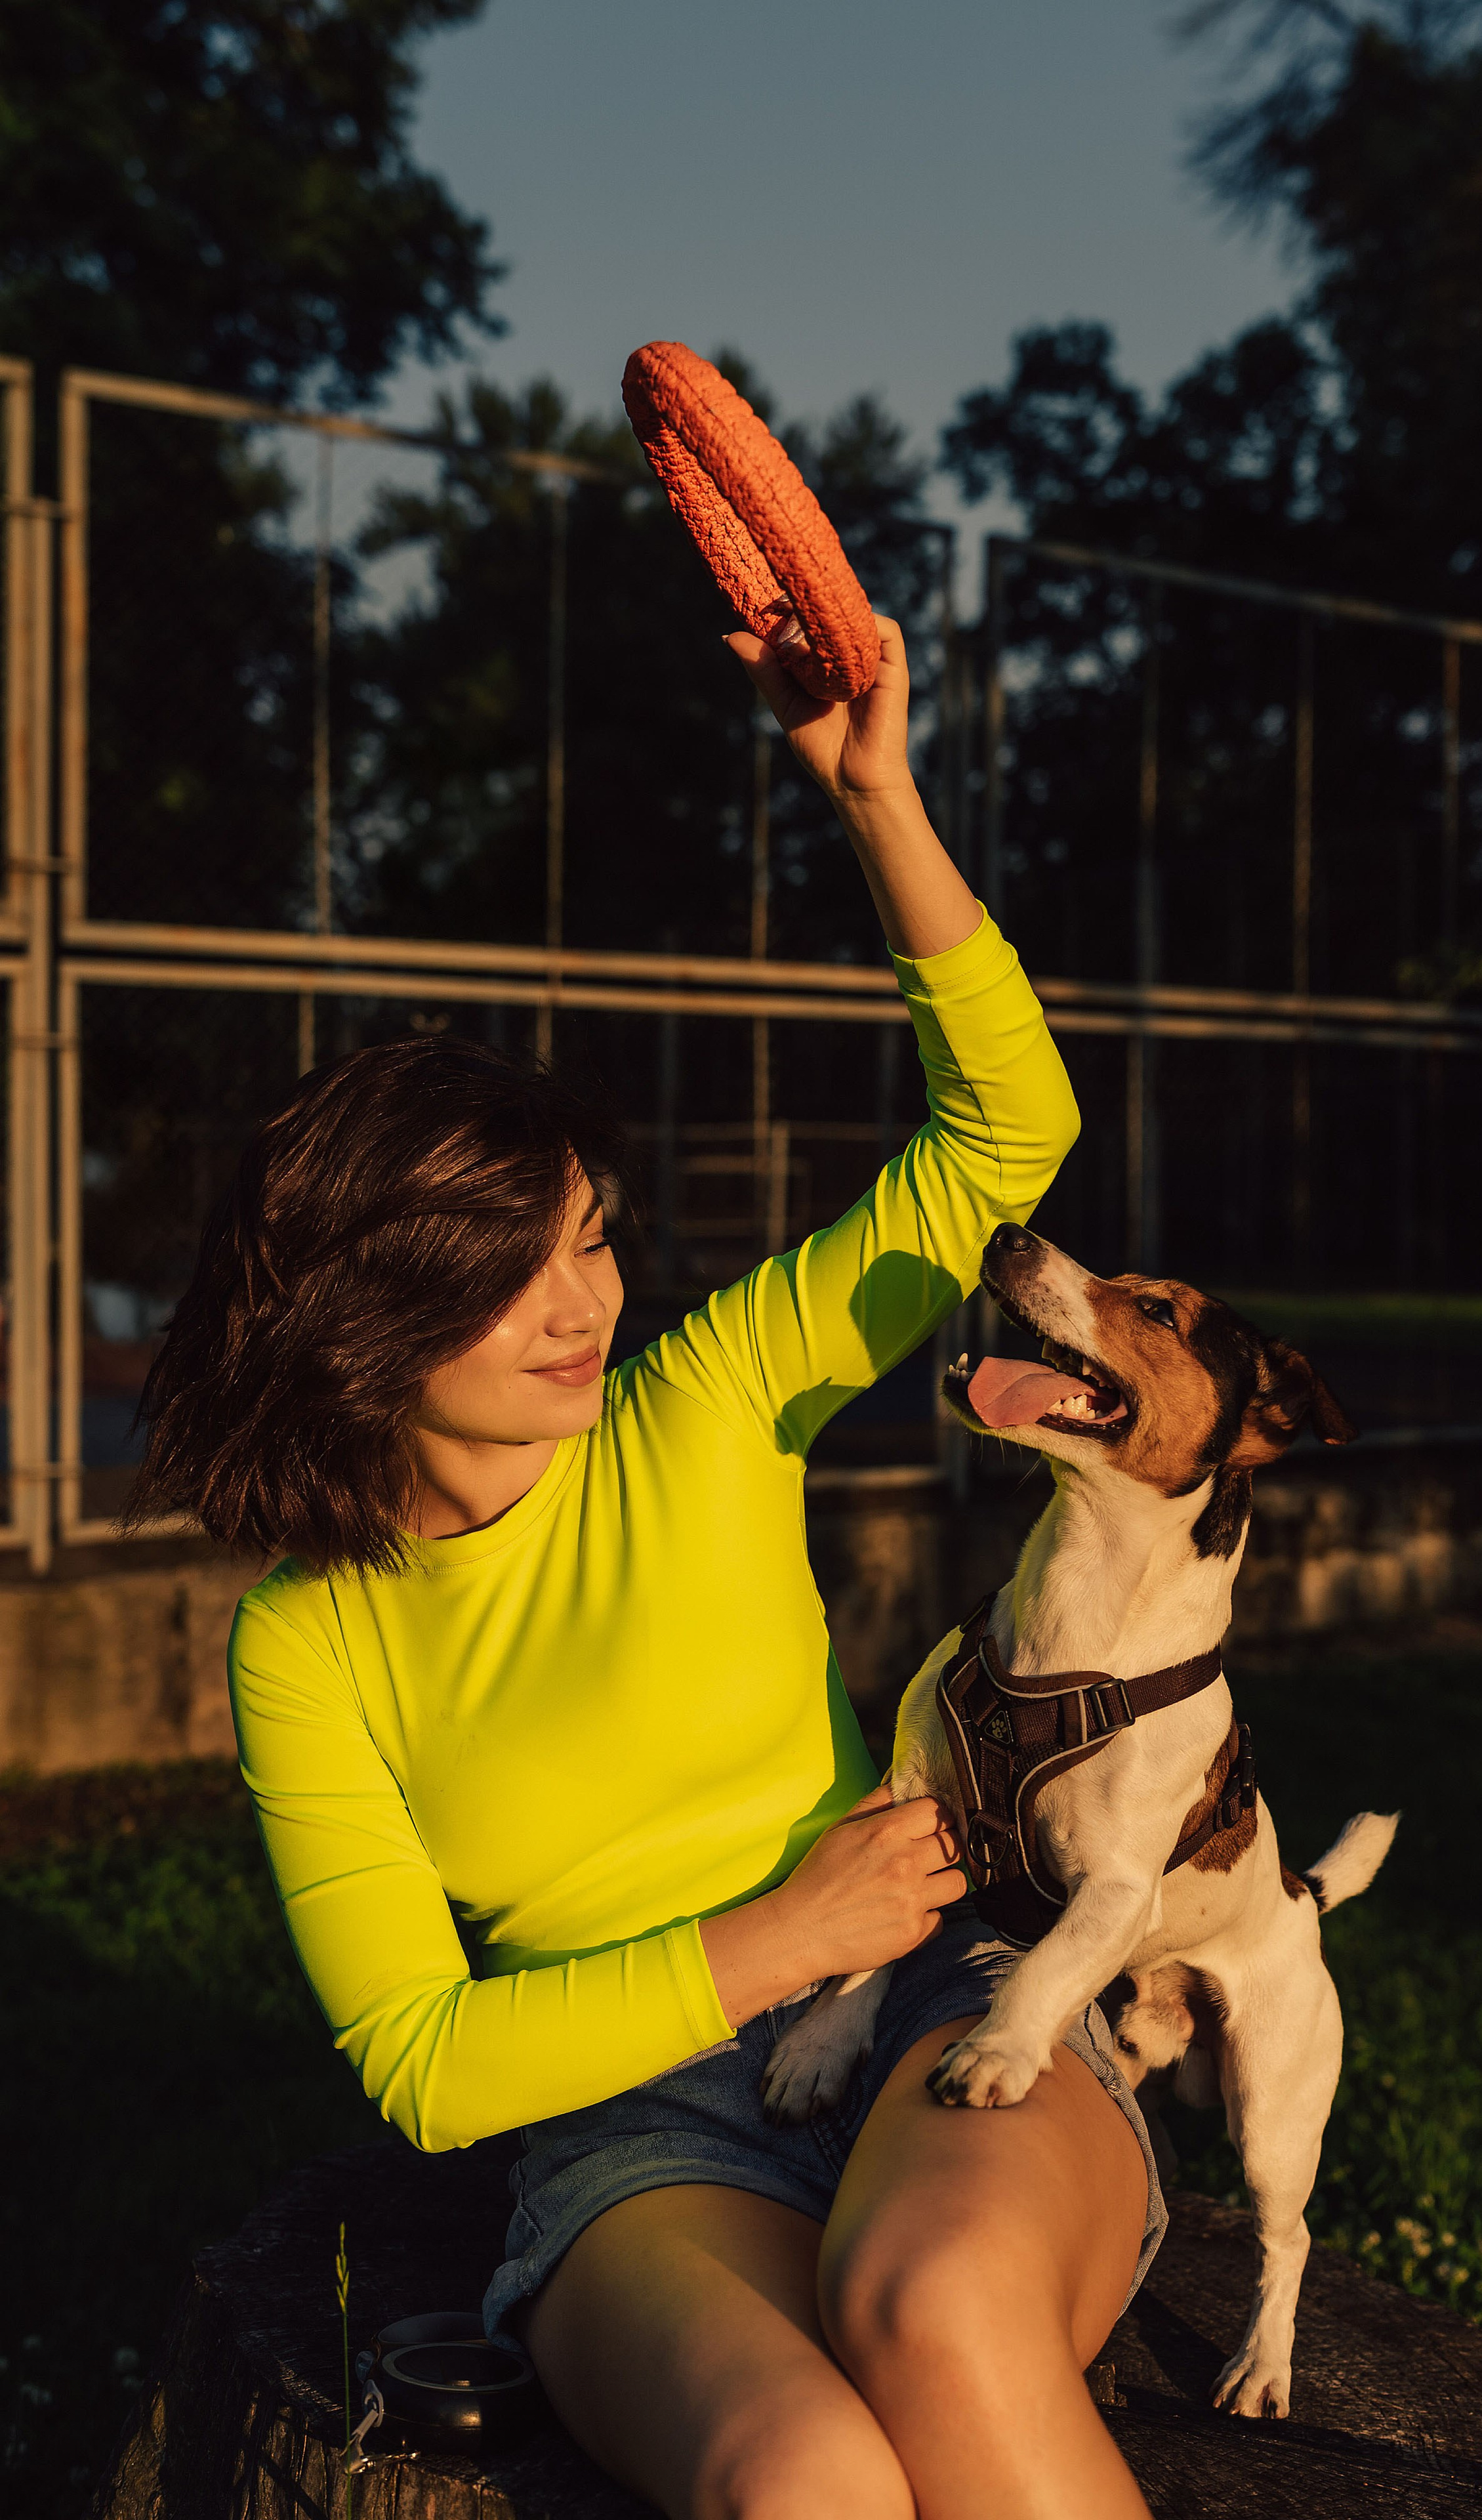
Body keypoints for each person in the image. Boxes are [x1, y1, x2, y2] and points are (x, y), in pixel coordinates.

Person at [134, 615, 1164, 2520]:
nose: (585, 1301)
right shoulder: (304, 1646)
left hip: (938, 1998)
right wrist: (779, 1937)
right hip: (629, 2130)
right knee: (805, 2481)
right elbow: (430, 2068)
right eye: (512, 1270)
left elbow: (1010, 1128)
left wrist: (880, 805)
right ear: (363, 1319)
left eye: (593, 1238)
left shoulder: (709, 1401)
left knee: (939, 2309)